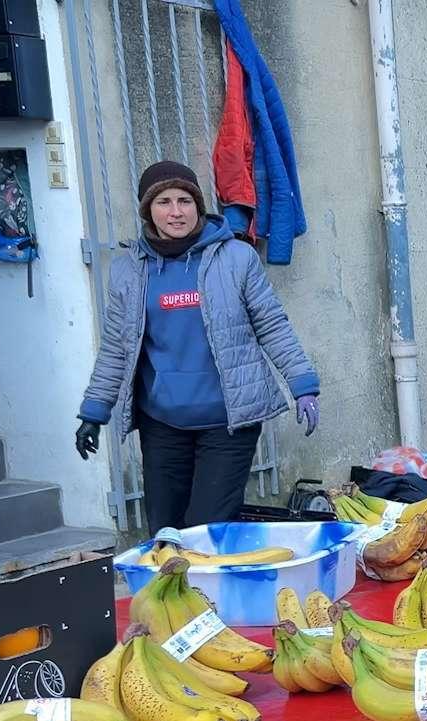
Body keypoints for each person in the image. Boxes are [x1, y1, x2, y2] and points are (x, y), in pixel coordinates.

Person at [75, 160, 319, 532]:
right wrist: (94, 411)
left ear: (198, 206)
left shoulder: (236, 259)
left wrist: (303, 385)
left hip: (227, 421)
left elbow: (272, 324)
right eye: (164, 202)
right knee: (166, 531)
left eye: (185, 201)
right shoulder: (129, 270)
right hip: (163, 423)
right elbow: (115, 347)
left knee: (207, 530)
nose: (176, 212)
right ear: (148, 210)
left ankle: (215, 590)